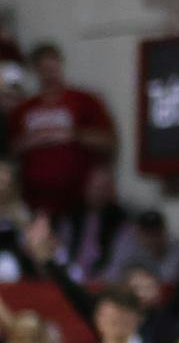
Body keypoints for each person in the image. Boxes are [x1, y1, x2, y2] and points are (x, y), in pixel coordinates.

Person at [8, 45, 116, 218]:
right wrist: (32, 140)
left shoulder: (85, 101)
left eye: (53, 68)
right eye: (44, 69)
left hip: (79, 201)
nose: (50, 74)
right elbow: (10, 149)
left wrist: (73, 134)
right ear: (35, 70)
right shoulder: (23, 109)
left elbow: (108, 141)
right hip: (35, 200)